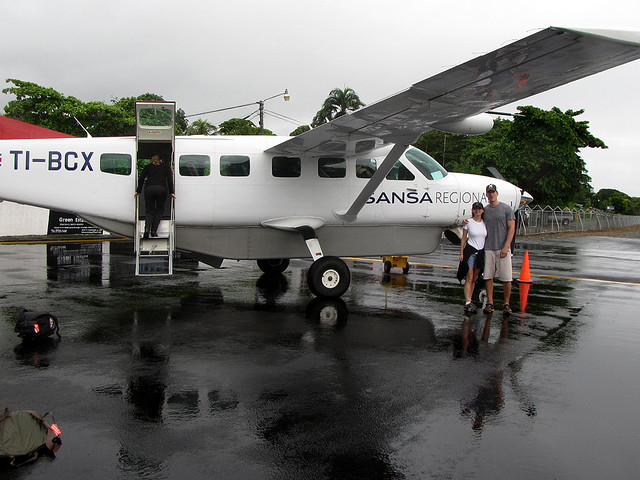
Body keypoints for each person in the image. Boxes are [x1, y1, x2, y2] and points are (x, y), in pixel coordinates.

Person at [482, 183, 515, 315]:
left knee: (506, 278)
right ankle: (490, 303)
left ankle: (506, 303)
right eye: (489, 192)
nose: (491, 194)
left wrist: (506, 246)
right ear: (486, 194)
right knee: (488, 277)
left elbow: (511, 227)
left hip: (502, 248)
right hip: (489, 247)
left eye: (493, 192)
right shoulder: (485, 210)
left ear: (497, 193)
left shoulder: (506, 209)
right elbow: (478, 220)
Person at [134, 154, 175, 238]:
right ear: (161, 160)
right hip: (161, 189)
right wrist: (172, 192)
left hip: (149, 189)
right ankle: (154, 231)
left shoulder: (147, 167)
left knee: (149, 210)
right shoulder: (166, 167)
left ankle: (146, 230)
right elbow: (170, 179)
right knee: (159, 210)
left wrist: (138, 191)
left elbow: (141, 178)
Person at [458, 201, 487, 314]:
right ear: (473, 210)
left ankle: (470, 300)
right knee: (469, 277)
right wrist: (461, 253)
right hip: (471, 250)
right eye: (475, 209)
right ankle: (467, 301)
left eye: (479, 209)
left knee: (475, 277)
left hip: (480, 252)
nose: (477, 210)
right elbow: (464, 238)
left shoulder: (485, 223)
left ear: (482, 210)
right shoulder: (468, 222)